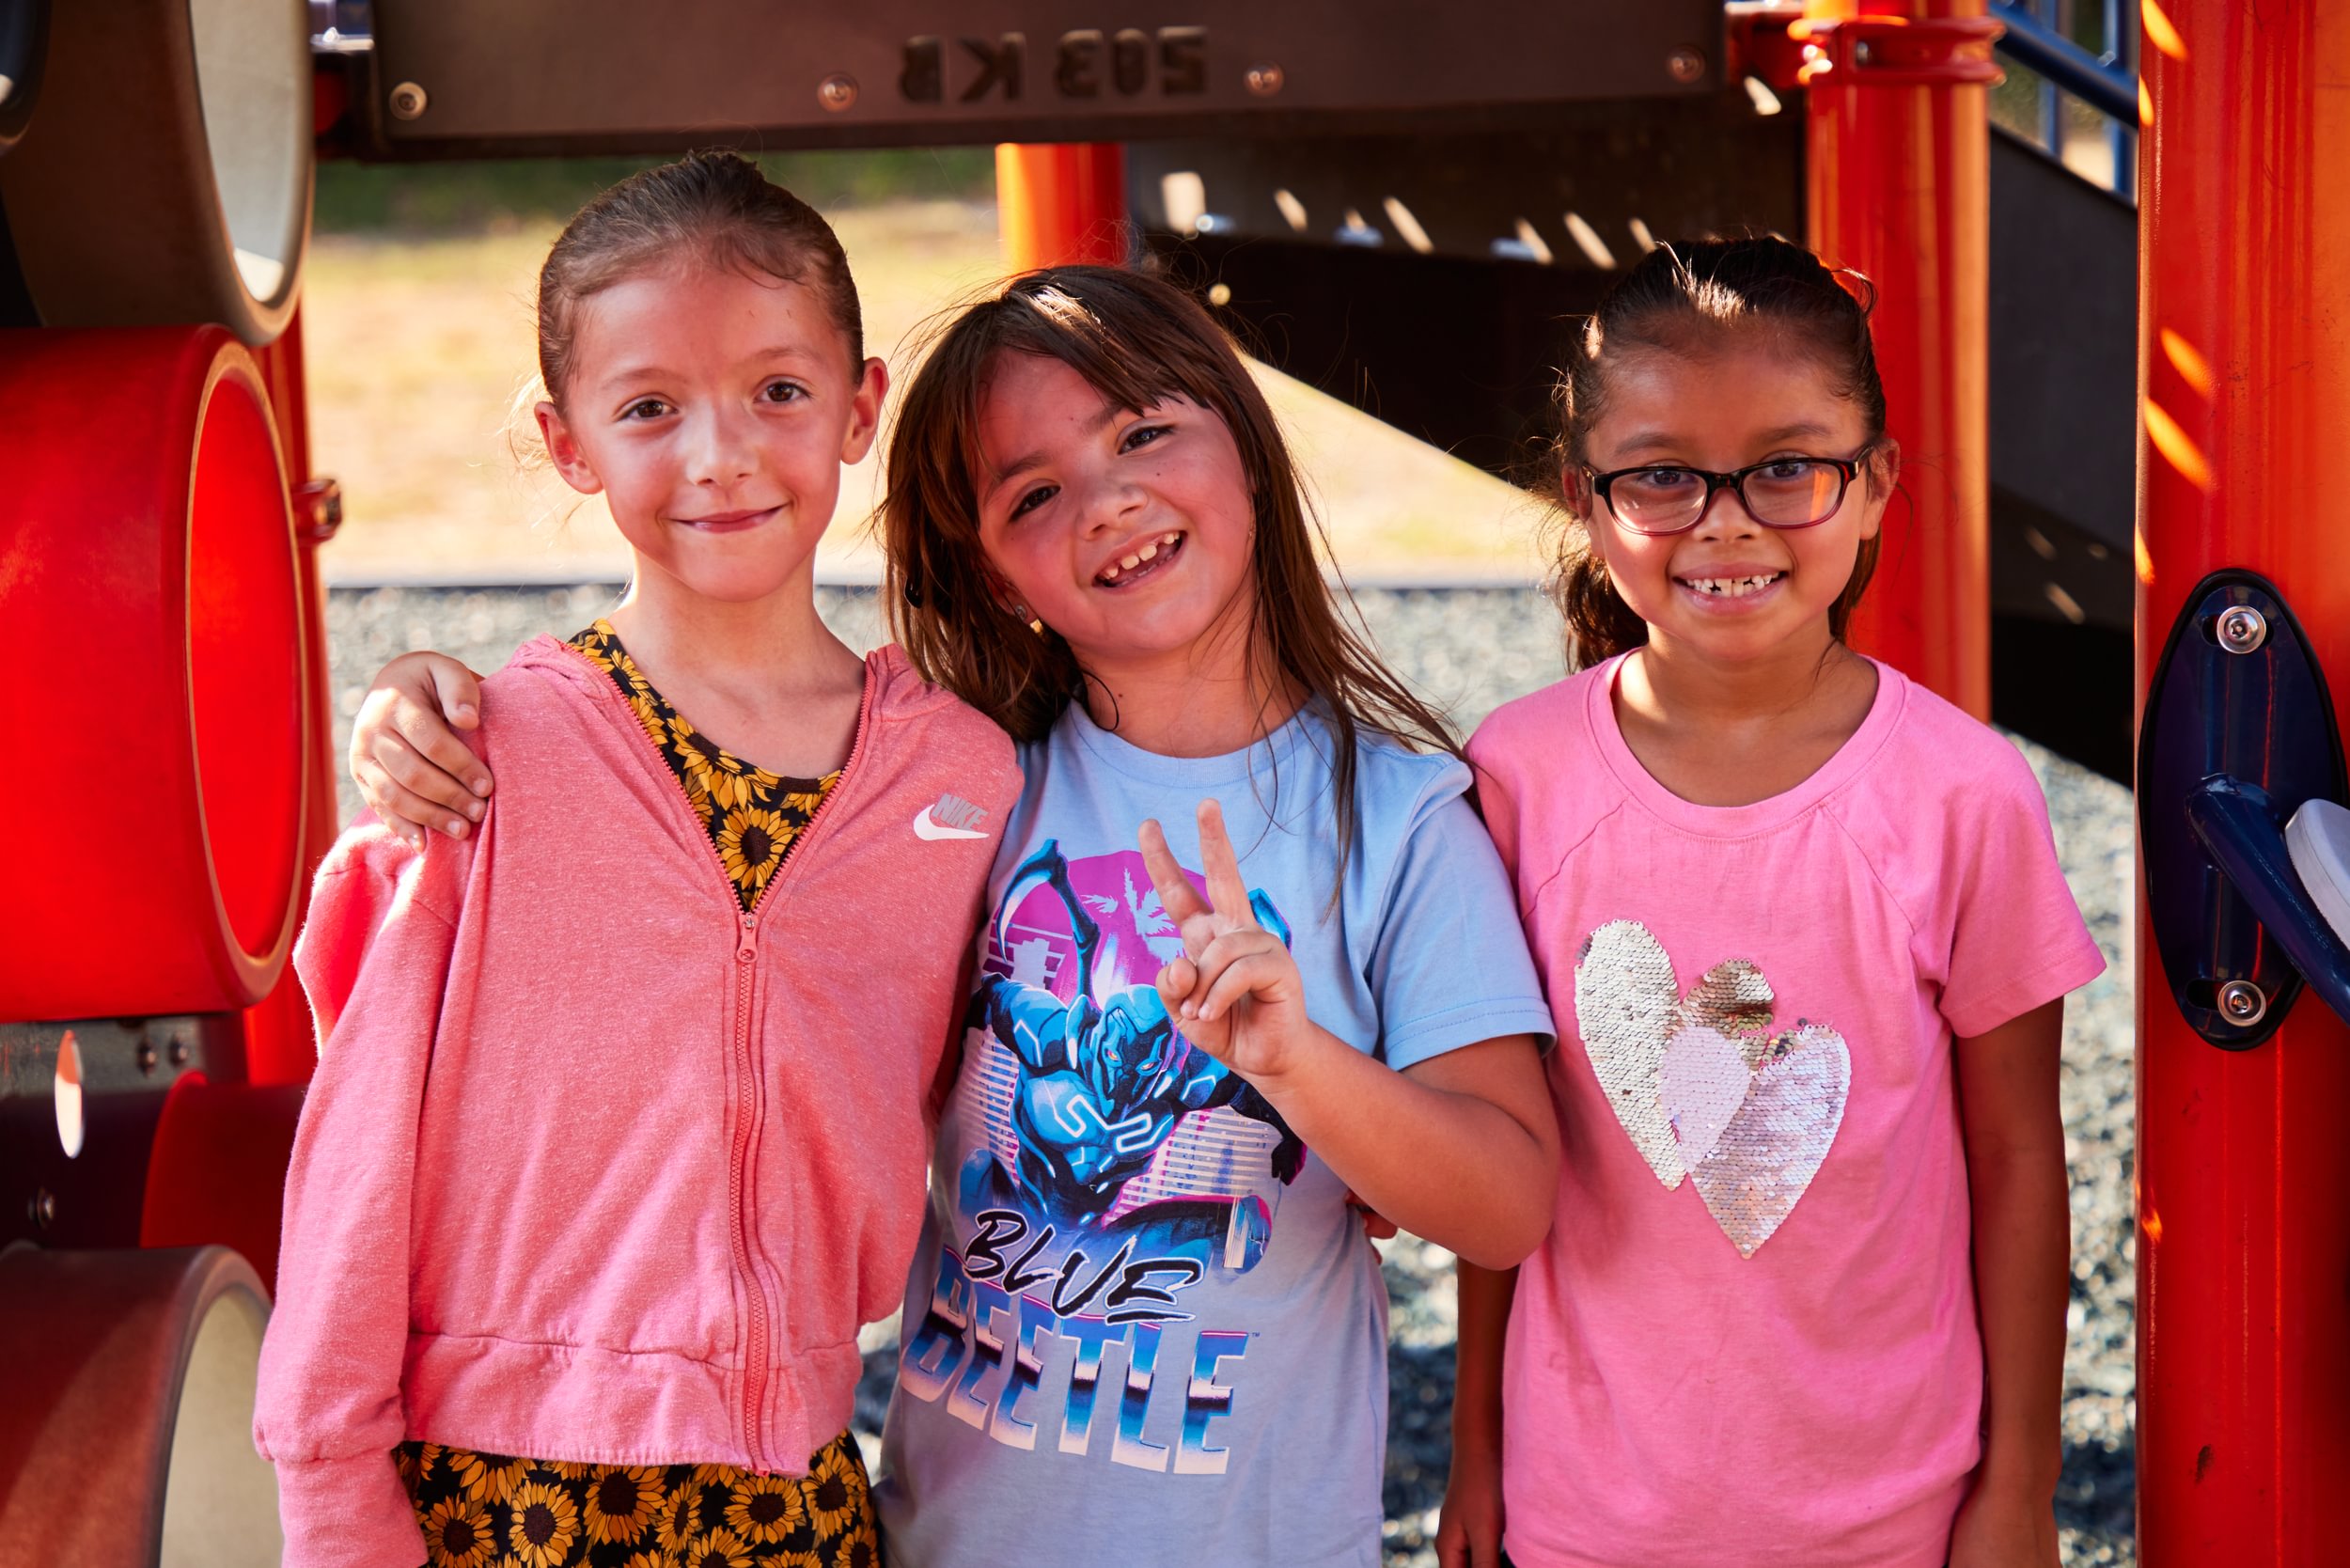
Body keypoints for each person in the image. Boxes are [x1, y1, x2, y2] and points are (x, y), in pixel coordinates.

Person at [351, 263, 1563, 1566]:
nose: (1111, 502)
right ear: (991, 575)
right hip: (950, 1542)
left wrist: (1302, 1068)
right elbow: (702, 874)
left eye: (1144, 432)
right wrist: (445, 707)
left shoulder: (1404, 820)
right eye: (1033, 494)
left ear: (1247, 444)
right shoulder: (955, 792)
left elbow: (1507, 1203)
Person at [254, 151, 1020, 1568]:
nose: (719, 453)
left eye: (777, 393)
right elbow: (354, 1163)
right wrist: (331, 1497)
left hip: (791, 1491)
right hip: (493, 1499)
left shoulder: (961, 780)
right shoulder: (488, 761)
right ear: (567, 445)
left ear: (859, 410)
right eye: (650, 408)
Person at [1437, 237, 2105, 1568]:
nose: (1727, 520)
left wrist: (2018, 1485)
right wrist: (1476, 1451)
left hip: (1890, 1517)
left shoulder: (1965, 796)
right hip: (1585, 1514)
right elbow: (1500, 1161)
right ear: (1585, 495)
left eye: (1787, 468)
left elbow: (2021, 1160)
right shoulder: (1514, 777)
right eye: (1665, 476)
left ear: (1876, 487)